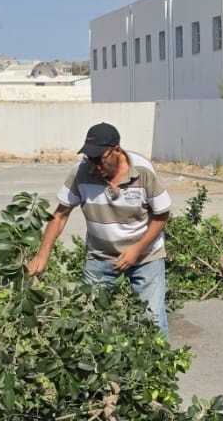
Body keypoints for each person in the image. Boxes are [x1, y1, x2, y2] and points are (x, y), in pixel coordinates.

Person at [25, 122, 173, 337]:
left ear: (116, 151)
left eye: (98, 158)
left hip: (145, 256)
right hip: (100, 257)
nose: (94, 164)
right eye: (90, 158)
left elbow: (161, 215)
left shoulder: (143, 171)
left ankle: (157, 360)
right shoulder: (81, 171)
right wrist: (42, 254)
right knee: (87, 320)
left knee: (152, 322)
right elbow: (60, 215)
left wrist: (136, 250)